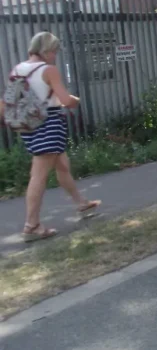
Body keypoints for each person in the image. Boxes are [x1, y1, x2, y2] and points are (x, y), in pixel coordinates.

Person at [0, 32, 100, 242]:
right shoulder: (49, 70)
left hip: (29, 125)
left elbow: (8, 101)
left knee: (62, 165)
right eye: (54, 51)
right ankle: (31, 225)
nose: (55, 55)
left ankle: (81, 203)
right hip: (49, 123)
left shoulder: (17, 69)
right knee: (39, 175)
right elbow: (65, 100)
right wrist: (74, 99)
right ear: (45, 50)